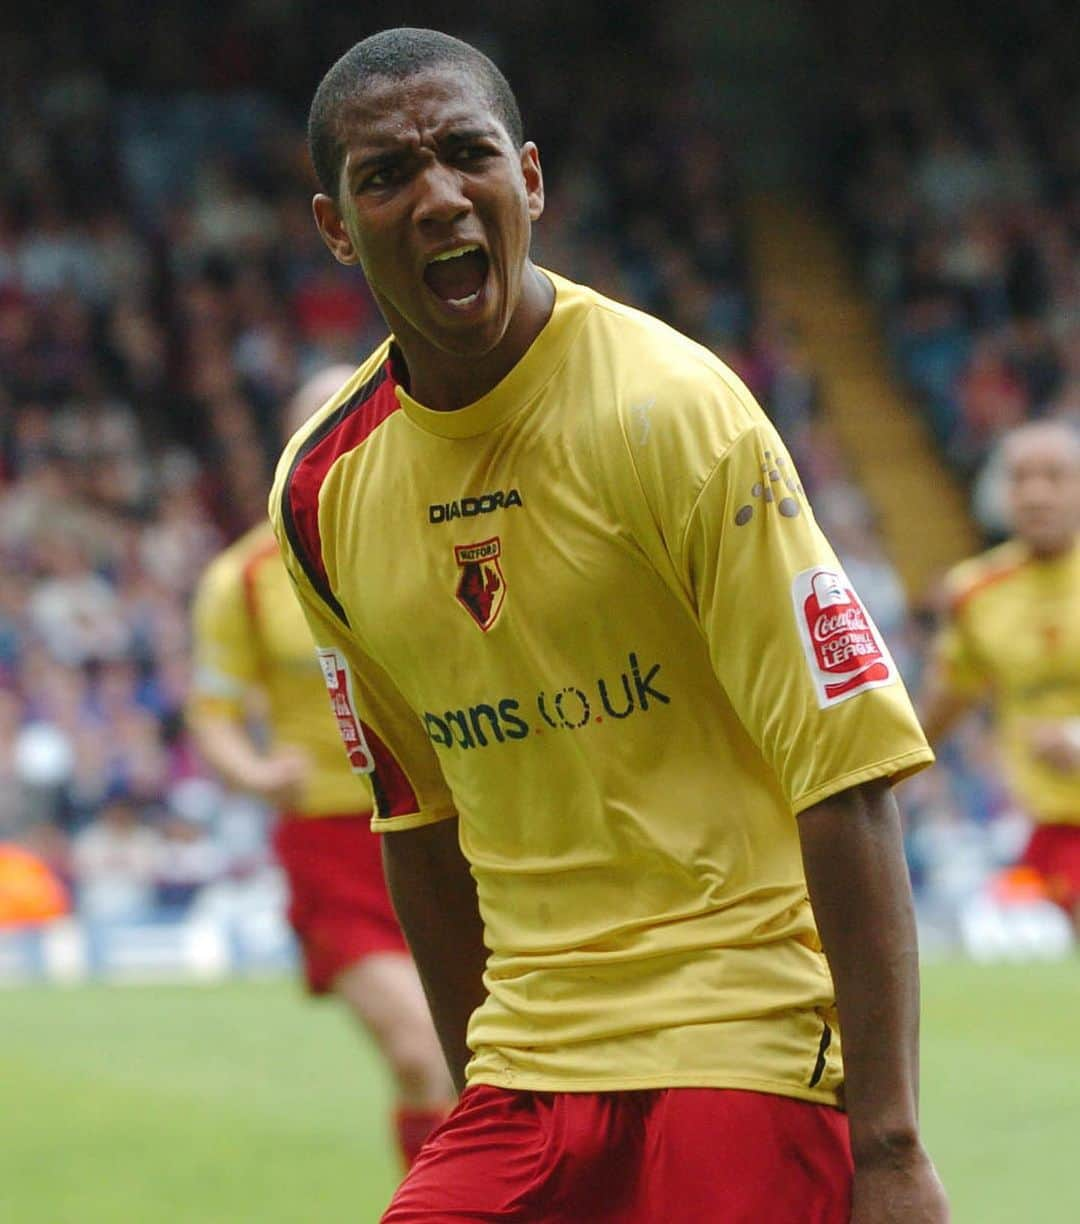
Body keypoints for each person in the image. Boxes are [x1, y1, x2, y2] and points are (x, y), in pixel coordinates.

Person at [270, 27, 949, 1222]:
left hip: (746, 1036)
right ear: (335, 225)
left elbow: (845, 776)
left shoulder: (673, 412)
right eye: (386, 176)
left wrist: (888, 1146)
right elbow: (416, 820)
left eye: (466, 156)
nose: (437, 199)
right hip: (529, 1065)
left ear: (528, 180)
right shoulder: (322, 491)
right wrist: (483, 1070)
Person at [188, 367, 454, 1170]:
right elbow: (214, 716)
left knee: (484, 1068)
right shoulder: (241, 578)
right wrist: (257, 774)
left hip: (458, 831)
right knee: (420, 1053)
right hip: (336, 844)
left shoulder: (445, 542)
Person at [921, 420, 1080, 929]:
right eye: (1019, 479)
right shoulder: (976, 592)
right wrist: (883, 778)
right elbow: (945, 704)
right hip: (1049, 826)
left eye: (1054, 477)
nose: (1036, 494)